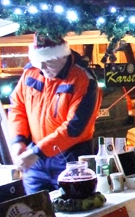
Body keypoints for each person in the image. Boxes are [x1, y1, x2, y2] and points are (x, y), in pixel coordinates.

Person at [8, 34, 102, 194]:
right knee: (37, 212)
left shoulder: (83, 79)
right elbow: (17, 107)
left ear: (62, 56)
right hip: (34, 157)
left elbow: (74, 128)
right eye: (39, 62)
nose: (42, 68)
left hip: (69, 158)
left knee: (73, 210)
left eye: (48, 62)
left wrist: (38, 152)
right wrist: (18, 141)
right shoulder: (31, 71)